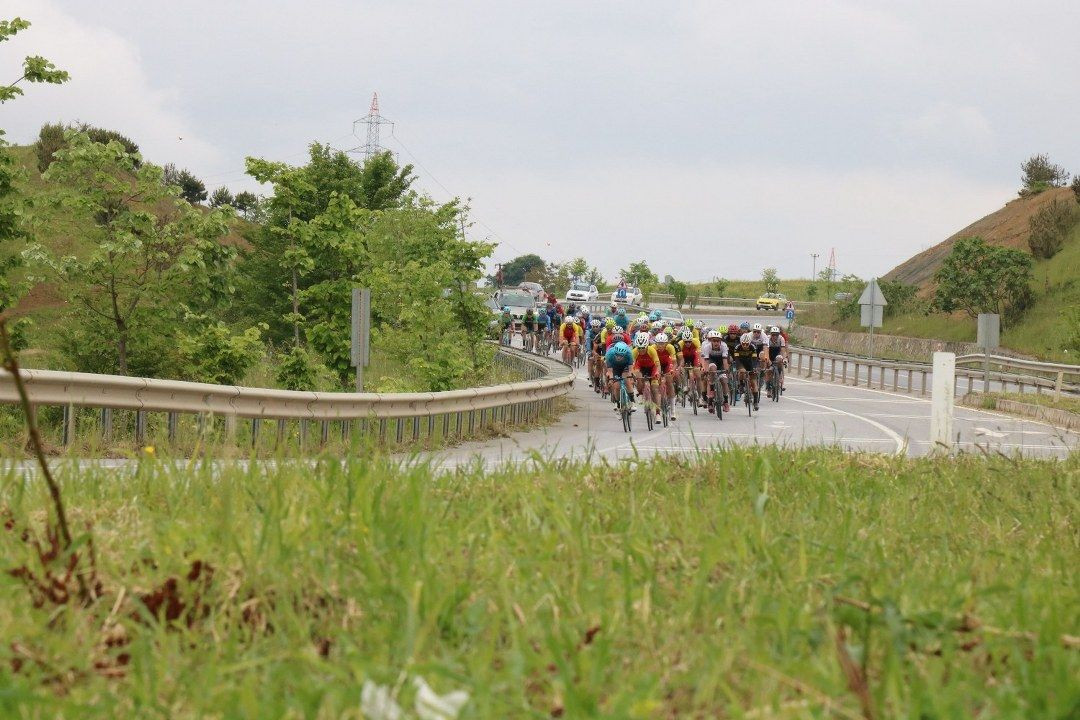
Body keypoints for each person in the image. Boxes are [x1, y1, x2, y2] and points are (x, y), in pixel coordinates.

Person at [631, 331, 662, 415]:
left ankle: (658, 413)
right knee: (638, 376)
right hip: (640, 367)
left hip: (652, 368)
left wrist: (657, 373)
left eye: (643, 348)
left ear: (647, 346)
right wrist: (632, 374)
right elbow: (632, 365)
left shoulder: (652, 350)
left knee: (655, 389)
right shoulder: (634, 351)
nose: (641, 350)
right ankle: (641, 393)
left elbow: (658, 365)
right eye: (639, 348)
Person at [701, 329, 731, 413]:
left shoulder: (724, 346)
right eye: (714, 341)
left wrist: (726, 370)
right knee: (712, 370)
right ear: (711, 341)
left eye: (718, 341)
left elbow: (725, 361)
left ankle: (725, 402)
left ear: (720, 341)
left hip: (721, 361)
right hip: (711, 361)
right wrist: (706, 371)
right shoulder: (707, 347)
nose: (716, 343)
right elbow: (706, 361)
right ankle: (711, 394)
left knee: (724, 381)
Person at [732, 333, 761, 410]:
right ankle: (741, 385)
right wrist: (740, 368)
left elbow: (755, 359)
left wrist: (754, 368)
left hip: (750, 362)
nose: (745, 346)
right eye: (743, 344)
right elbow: (736, 359)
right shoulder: (737, 347)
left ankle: (755, 402)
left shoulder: (753, 346)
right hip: (740, 361)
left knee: (754, 382)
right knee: (742, 371)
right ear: (741, 343)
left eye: (747, 344)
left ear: (750, 343)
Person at [653, 332, 678, 421]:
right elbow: (653, 364)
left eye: (662, 343)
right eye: (659, 343)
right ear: (656, 343)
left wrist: (672, 370)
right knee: (655, 386)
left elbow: (674, 362)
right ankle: (657, 411)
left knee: (670, 382)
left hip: (667, 364)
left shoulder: (670, 348)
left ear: (666, 343)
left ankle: (673, 411)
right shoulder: (653, 349)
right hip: (656, 365)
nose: (660, 346)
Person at [605, 340, 636, 410]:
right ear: (614, 353)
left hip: (625, 367)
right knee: (616, 386)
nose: (618, 357)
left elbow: (631, 369)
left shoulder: (629, 354)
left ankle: (632, 402)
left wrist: (631, 377)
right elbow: (610, 371)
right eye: (617, 355)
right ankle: (617, 402)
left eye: (621, 355)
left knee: (627, 381)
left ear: (624, 354)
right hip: (614, 368)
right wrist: (611, 379)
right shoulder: (609, 354)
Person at [767, 325, 788, 392]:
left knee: (780, 361)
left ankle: (779, 377)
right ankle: (768, 387)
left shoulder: (781, 338)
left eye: (776, 335)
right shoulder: (767, 338)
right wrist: (767, 359)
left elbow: (783, 350)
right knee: (769, 370)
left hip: (777, 353)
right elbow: (766, 350)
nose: (775, 337)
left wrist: (784, 359)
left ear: (778, 335)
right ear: (771, 334)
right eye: (773, 335)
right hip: (769, 352)